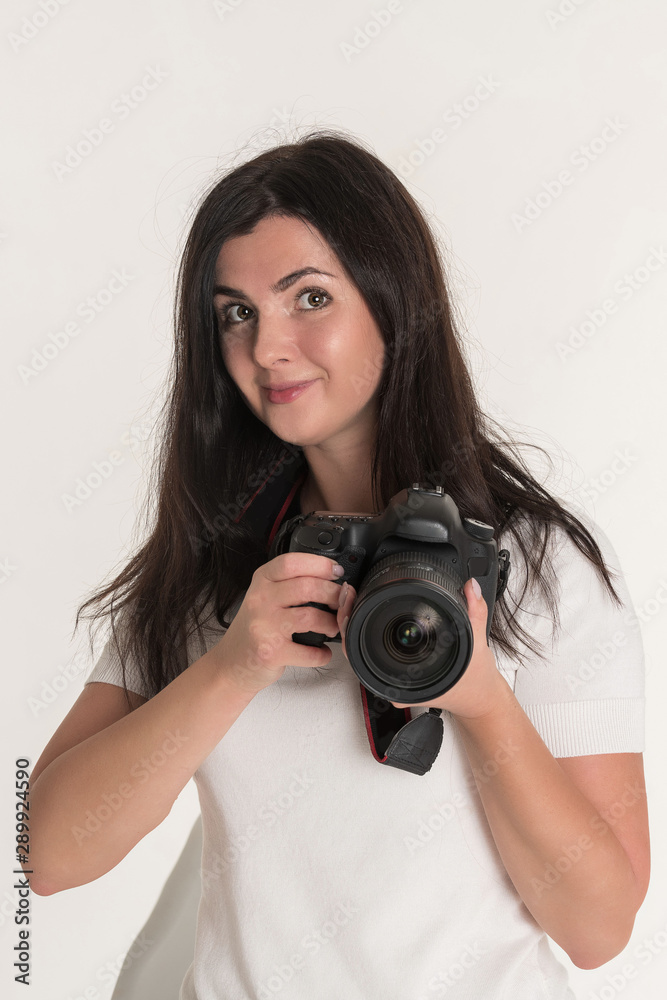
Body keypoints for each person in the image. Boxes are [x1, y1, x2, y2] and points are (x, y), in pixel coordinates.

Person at [25, 129, 649, 1000]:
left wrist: (479, 699)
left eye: (308, 298)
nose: (267, 347)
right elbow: (44, 857)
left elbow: (598, 929)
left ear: (393, 303)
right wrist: (235, 665)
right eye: (235, 312)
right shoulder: (213, 568)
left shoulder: (536, 563)